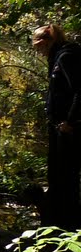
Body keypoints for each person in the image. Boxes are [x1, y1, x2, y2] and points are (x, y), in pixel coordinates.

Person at [33, 24, 81, 228]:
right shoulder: (59, 56)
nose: (37, 51)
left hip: (69, 128)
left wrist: (70, 121)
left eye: (37, 46)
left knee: (66, 176)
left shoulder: (67, 57)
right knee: (59, 175)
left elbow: (80, 90)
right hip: (60, 126)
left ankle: (67, 224)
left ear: (45, 41)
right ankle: (60, 221)